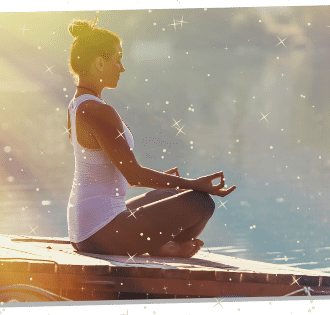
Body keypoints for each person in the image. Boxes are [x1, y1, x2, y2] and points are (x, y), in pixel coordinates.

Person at [66, 16, 236, 258]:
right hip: (99, 233)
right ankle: (164, 248)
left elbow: (103, 171)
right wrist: (193, 183)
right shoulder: (98, 111)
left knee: (172, 194)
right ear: (99, 64)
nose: (122, 68)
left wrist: (168, 182)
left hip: (90, 227)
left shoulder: (78, 105)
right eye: (118, 60)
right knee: (200, 202)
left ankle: (159, 245)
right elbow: (133, 175)